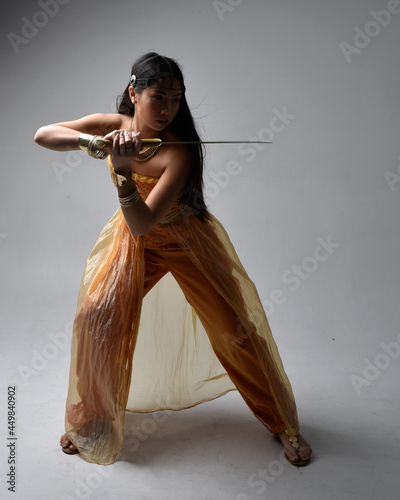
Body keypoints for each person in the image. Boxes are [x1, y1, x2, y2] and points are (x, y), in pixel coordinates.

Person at [34, 52, 312, 466]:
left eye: (176, 99)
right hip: (133, 244)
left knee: (234, 329)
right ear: (134, 93)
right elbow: (43, 134)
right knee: (94, 316)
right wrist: (89, 141)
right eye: (157, 96)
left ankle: (282, 422)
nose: (167, 108)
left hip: (184, 240)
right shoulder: (115, 126)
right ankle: (92, 417)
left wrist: (124, 172)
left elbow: (145, 220)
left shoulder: (179, 152)